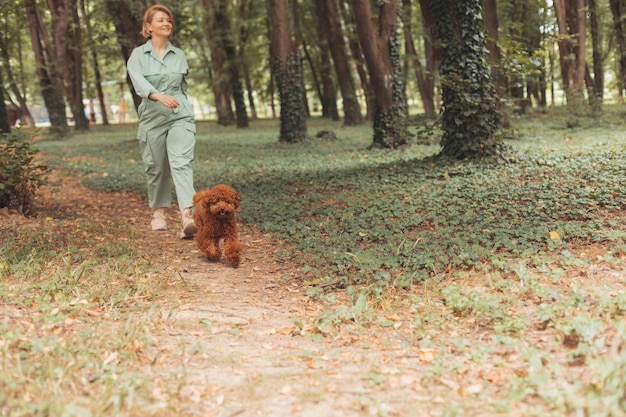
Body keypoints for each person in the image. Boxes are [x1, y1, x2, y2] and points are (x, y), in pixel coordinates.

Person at [126, 4, 198, 239]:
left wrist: (182, 105)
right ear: (148, 26)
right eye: (160, 20)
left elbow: (183, 88)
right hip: (152, 117)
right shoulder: (138, 55)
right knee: (156, 167)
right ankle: (158, 212)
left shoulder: (179, 55)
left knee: (181, 162)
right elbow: (138, 83)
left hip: (180, 116)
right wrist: (157, 95)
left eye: (168, 20)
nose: (166, 23)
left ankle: (188, 214)